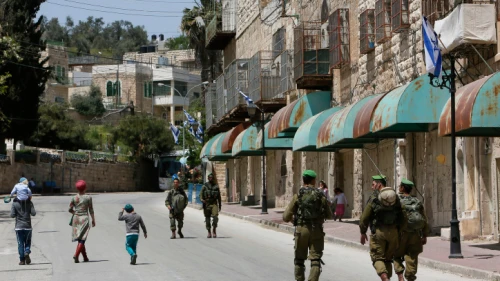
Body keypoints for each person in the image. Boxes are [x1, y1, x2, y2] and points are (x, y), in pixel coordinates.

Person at [283, 170, 333, 281]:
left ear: (303, 180)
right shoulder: (320, 195)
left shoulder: (298, 195)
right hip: (316, 231)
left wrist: (293, 220)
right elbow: (329, 215)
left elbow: (286, 216)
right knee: (315, 260)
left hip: (301, 230)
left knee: (299, 260)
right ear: (314, 180)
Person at [359, 175, 403, 281]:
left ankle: (385, 278)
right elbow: (402, 215)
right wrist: (399, 231)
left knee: (377, 258)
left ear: (379, 184)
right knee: (388, 259)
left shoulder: (374, 198)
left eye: (373, 184)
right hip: (393, 232)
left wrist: (363, 232)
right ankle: (400, 277)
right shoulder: (394, 198)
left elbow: (364, 217)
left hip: (379, 232)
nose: (372, 186)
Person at [394, 179, 429, 281]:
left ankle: (400, 276)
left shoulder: (397, 201)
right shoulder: (417, 202)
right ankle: (410, 276)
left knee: (396, 255)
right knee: (412, 256)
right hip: (415, 235)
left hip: (400, 235)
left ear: (402, 188)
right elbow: (424, 219)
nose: (399, 187)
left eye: (400, 186)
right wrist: (425, 235)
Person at [68, 180, 95, 263]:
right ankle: (76, 255)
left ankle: (85, 257)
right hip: (84, 219)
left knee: (80, 238)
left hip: (76, 219)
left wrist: (75, 213)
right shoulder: (88, 198)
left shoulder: (74, 198)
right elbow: (91, 210)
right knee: (82, 239)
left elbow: (70, 209)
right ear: (85, 188)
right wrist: (93, 220)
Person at [10, 195, 36, 265]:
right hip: (28, 226)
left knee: (20, 243)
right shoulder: (29, 203)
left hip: (18, 227)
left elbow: (12, 215)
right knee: (27, 241)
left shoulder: (14, 203)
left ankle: (22, 260)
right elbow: (33, 213)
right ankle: (27, 251)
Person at [200, 173, 221, 238]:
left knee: (215, 217)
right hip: (207, 204)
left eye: (212, 178)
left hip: (214, 203)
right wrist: (202, 200)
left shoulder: (216, 186)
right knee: (207, 218)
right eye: (210, 178)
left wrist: (220, 205)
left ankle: (214, 229)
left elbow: (219, 197)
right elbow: (201, 194)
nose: (211, 179)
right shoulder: (205, 186)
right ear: (208, 178)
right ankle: (209, 231)